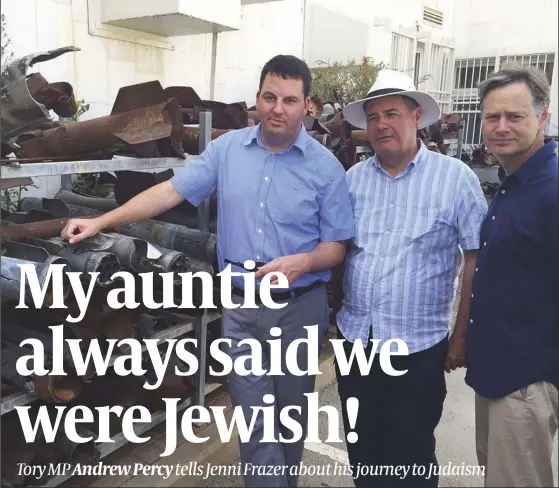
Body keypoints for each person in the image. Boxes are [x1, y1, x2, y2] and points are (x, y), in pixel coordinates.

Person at [61, 55, 354, 487]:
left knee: (289, 419)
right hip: (242, 309)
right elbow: (168, 191)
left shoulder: (326, 168)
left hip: (299, 310)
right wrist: (103, 221)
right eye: (270, 97)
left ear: (306, 105)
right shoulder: (227, 151)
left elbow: (337, 246)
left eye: (290, 100)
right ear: (257, 97)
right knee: (256, 424)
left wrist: (304, 261)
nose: (278, 108)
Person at [334, 69, 488, 487]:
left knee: (411, 455)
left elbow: (475, 260)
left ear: (416, 117)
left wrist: (461, 338)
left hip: (417, 346)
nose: (382, 124)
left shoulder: (456, 179)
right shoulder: (352, 182)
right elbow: (338, 251)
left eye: (392, 113)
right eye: (374, 116)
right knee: (363, 452)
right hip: (357, 342)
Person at [464, 65, 558, 487]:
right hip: (501, 377)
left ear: (542, 118)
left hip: (526, 381)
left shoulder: (552, 191)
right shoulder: (514, 181)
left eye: (515, 116)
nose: (500, 127)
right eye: (492, 116)